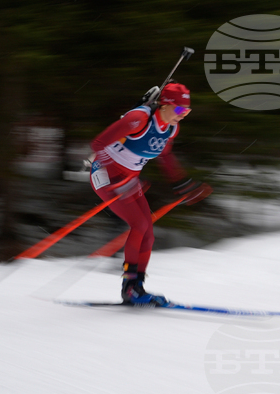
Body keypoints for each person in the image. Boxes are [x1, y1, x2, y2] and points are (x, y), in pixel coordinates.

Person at [87, 82, 211, 306]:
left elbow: (165, 156)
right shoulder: (139, 119)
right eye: (181, 110)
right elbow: (98, 144)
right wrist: (118, 183)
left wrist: (183, 183)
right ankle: (129, 288)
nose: (183, 115)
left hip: (128, 180)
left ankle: (137, 286)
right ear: (166, 105)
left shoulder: (171, 127)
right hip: (105, 175)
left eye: (188, 111)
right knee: (139, 226)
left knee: (148, 233)